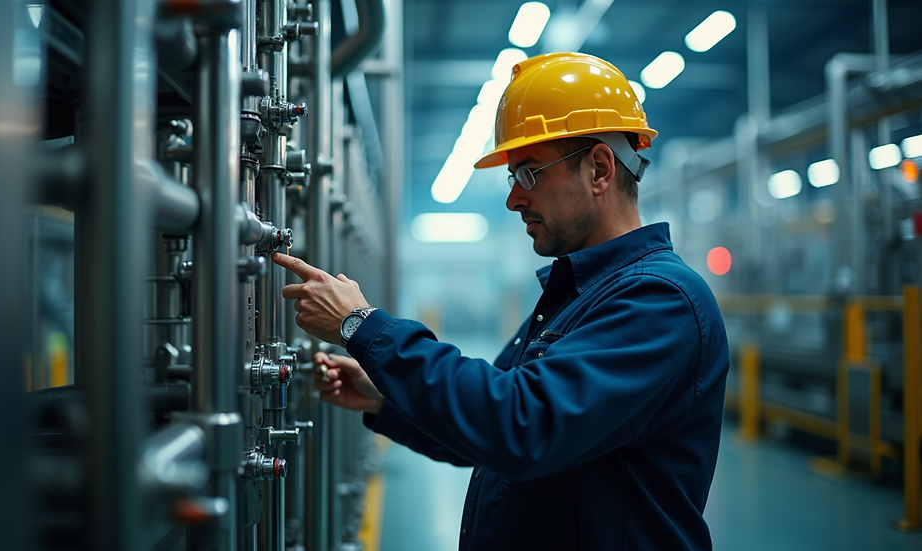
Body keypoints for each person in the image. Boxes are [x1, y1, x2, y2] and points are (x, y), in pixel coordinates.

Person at [272, 52, 729, 551]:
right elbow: (486, 427)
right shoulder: (575, 294)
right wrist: (386, 399)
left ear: (599, 169)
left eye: (529, 173)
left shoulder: (660, 301)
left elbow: (519, 427)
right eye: (512, 177)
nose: (514, 198)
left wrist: (363, 327)